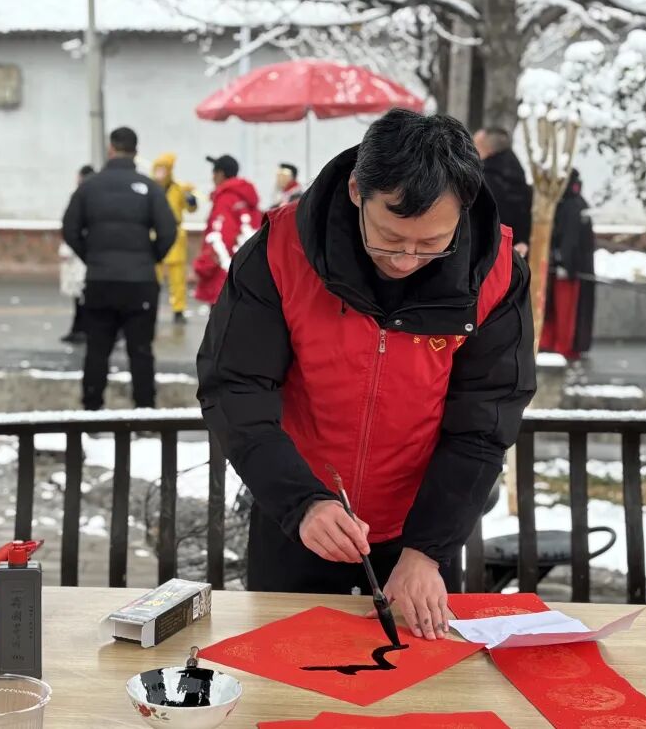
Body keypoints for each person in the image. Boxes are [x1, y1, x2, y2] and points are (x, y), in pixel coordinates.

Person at [198, 109, 536, 641]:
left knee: (426, 697)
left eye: (432, 244)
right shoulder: (281, 252)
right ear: (358, 189)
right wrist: (301, 501)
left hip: (424, 526)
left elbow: (485, 420)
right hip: (298, 520)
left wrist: (428, 550)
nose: (405, 260)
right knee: (284, 690)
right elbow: (235, 387)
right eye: (388, 237)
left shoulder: (494, 274)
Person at [62, 127, 177, 410]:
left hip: (101, 281)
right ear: (136, 152)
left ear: (110, 149)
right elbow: (168, 231)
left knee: (97, 349)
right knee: (140, 350)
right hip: (140, 283)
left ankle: (91, 411)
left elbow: (70, 228)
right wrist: (149, 258)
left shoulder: (89, 187)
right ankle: (145, 412)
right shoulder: (149, 188)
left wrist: (92, 257)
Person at [540, 169, 595, 360]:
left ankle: (561, 344)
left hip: (569, 270)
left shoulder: (570, 205)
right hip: (573, 267)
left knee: (565, 311)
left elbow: (570, 239)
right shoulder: (577, 203)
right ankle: (557, 343)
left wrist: (564, 260)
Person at [193, 154, 262, 306]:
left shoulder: (226, 200)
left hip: (223, 278)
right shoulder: (248, 199)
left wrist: (202, 266)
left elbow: (221, 238)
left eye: (214, 173)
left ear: (220, 174)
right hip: (246, 272)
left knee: (222, 327)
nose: (212, 178)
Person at [152, 152, 198, 325]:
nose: (160, 173)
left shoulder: (178, 189)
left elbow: (191, 209)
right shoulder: (151, 188)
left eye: (164, 169)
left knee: (177, 276)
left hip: (175, 236)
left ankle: (178, 309)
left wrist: (191, 199)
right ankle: (151, 307)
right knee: (152, 276)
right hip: (154, 234)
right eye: (158, 169)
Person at [474, 127, 532, 257]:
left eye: (476, 144)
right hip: (517, 250)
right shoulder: (517, 173)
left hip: (491, 252)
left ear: (488, 149)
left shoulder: (486, 178)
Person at [58, 165, 94, 344]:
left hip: (81, 255)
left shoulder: (81, 198)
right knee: (80, 294)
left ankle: (81, 329)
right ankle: (79, 328)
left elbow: (71, 227)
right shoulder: (89, 197)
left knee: (82, 294)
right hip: (83, 253)